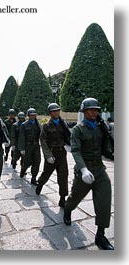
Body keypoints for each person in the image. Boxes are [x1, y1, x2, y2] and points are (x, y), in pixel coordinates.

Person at [63, 97, 114, 250]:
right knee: (75, 197)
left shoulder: (101, 127)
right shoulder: (78, 129)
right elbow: (76, 150)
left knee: (104, 201)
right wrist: (83, 169)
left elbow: (106, 149)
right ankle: (67, 209)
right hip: (84, 170)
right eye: (91, 109)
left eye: (96, 110)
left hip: (99, 169)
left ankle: (100, 235)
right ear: (84, 111)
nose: (94, 112)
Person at [35, 103, 71, 207]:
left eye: (57, 111)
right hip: (51, 153)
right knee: (46, 173)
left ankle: (63, 198)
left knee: (63, 176)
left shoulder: (63, 124)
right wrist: (48, 155)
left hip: (62, 153)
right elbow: (43, 140)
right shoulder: (46, 125)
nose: (56, 113)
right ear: (50, 113)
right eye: (54, 111)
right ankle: (40, 183)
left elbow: (68, 137)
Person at [18, 108, 41, 185]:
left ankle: (33, 178)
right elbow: (22, 137)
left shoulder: (38, 125)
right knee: (27, 162)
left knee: (37, 162)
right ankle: (23, 170)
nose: (33, 116)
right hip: (28, 146)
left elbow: (42, 135)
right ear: (28, 116)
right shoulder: (24, 125)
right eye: (31, 115)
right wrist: (22, 148)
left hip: (36, 146)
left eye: (34, 115)